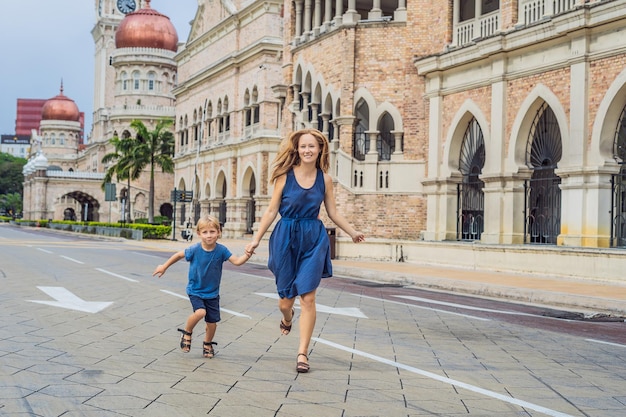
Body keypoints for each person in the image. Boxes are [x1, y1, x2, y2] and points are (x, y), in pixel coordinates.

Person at [245, 128, 365, 373]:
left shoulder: (325, 179)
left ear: (320, 149)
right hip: (285, 237)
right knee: (285, 301)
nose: (308, 150)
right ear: (297, 149)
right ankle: (287, 318)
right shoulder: (284, 176)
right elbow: (270, 211)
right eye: (303, 146)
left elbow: (332, 212)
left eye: (312, 146)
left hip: (313, 238)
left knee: (308, 297)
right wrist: (256, 239)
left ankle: (302, 353)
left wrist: (352, 232)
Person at [153, 215, 251, 358]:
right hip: (196, 290)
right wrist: (164, 266)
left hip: (212, 293)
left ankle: (207, 343)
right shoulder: (194, 249)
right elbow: (179, 255)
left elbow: (236, 261)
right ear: (199, 233)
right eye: (205, 232)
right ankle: (187, 332)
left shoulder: (222, 250)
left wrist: (247, 255)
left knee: (212, 323)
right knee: (200, 312)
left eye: (212, 232)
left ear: (219, 232)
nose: (209, 235)